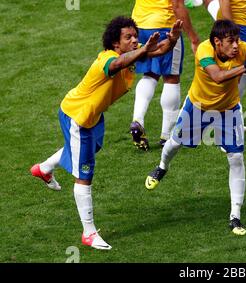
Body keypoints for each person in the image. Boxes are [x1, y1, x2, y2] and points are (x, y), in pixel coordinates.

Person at [30, 17, 183, 250]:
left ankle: (44, 169)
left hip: (93, 116)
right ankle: (89, 233)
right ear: (115, 42)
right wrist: (143, 49)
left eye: (135, 36)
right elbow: (118, 64)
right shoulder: (108, 60)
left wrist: (171, 38)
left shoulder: (132, 55)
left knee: (91, 150)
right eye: (128, 37)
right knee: (85, 172)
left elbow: (158, 50)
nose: (134, 40)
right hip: (78, 117)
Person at [144, 20, 246, 236]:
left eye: (237, 41)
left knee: (236, 158)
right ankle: (162, 166)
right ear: (217, 42)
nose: (237, 46)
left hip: (229, 110)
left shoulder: (242, 48)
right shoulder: (204, 50)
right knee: (174, 143)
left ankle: (235, 216)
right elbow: (218, 77)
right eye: (231, 42)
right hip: (198, 107)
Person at [129, 0, 201, 150]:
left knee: (149, 74)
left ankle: (138, 120)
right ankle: (167, 136)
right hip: (165, 26)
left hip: (139, 24)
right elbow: (177, 5)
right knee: (171, 77)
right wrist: (193, 38)